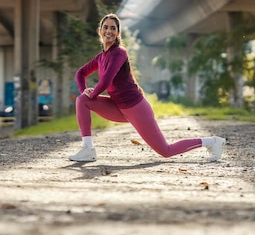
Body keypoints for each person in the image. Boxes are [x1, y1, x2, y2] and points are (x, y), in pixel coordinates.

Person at [69, 13, 226, 162]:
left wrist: (93, 93)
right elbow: (80, 73)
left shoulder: (119, 53)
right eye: (105, 27)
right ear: (100, 31)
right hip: (117, 106)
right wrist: (85, 90)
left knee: (166, 151)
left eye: (113, 28)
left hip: (136, 108)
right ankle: (88, 149)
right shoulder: (101, 57)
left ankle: (212, 142)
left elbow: (106, 80)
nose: (108, 31)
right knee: (82, 100)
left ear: (118, 33)